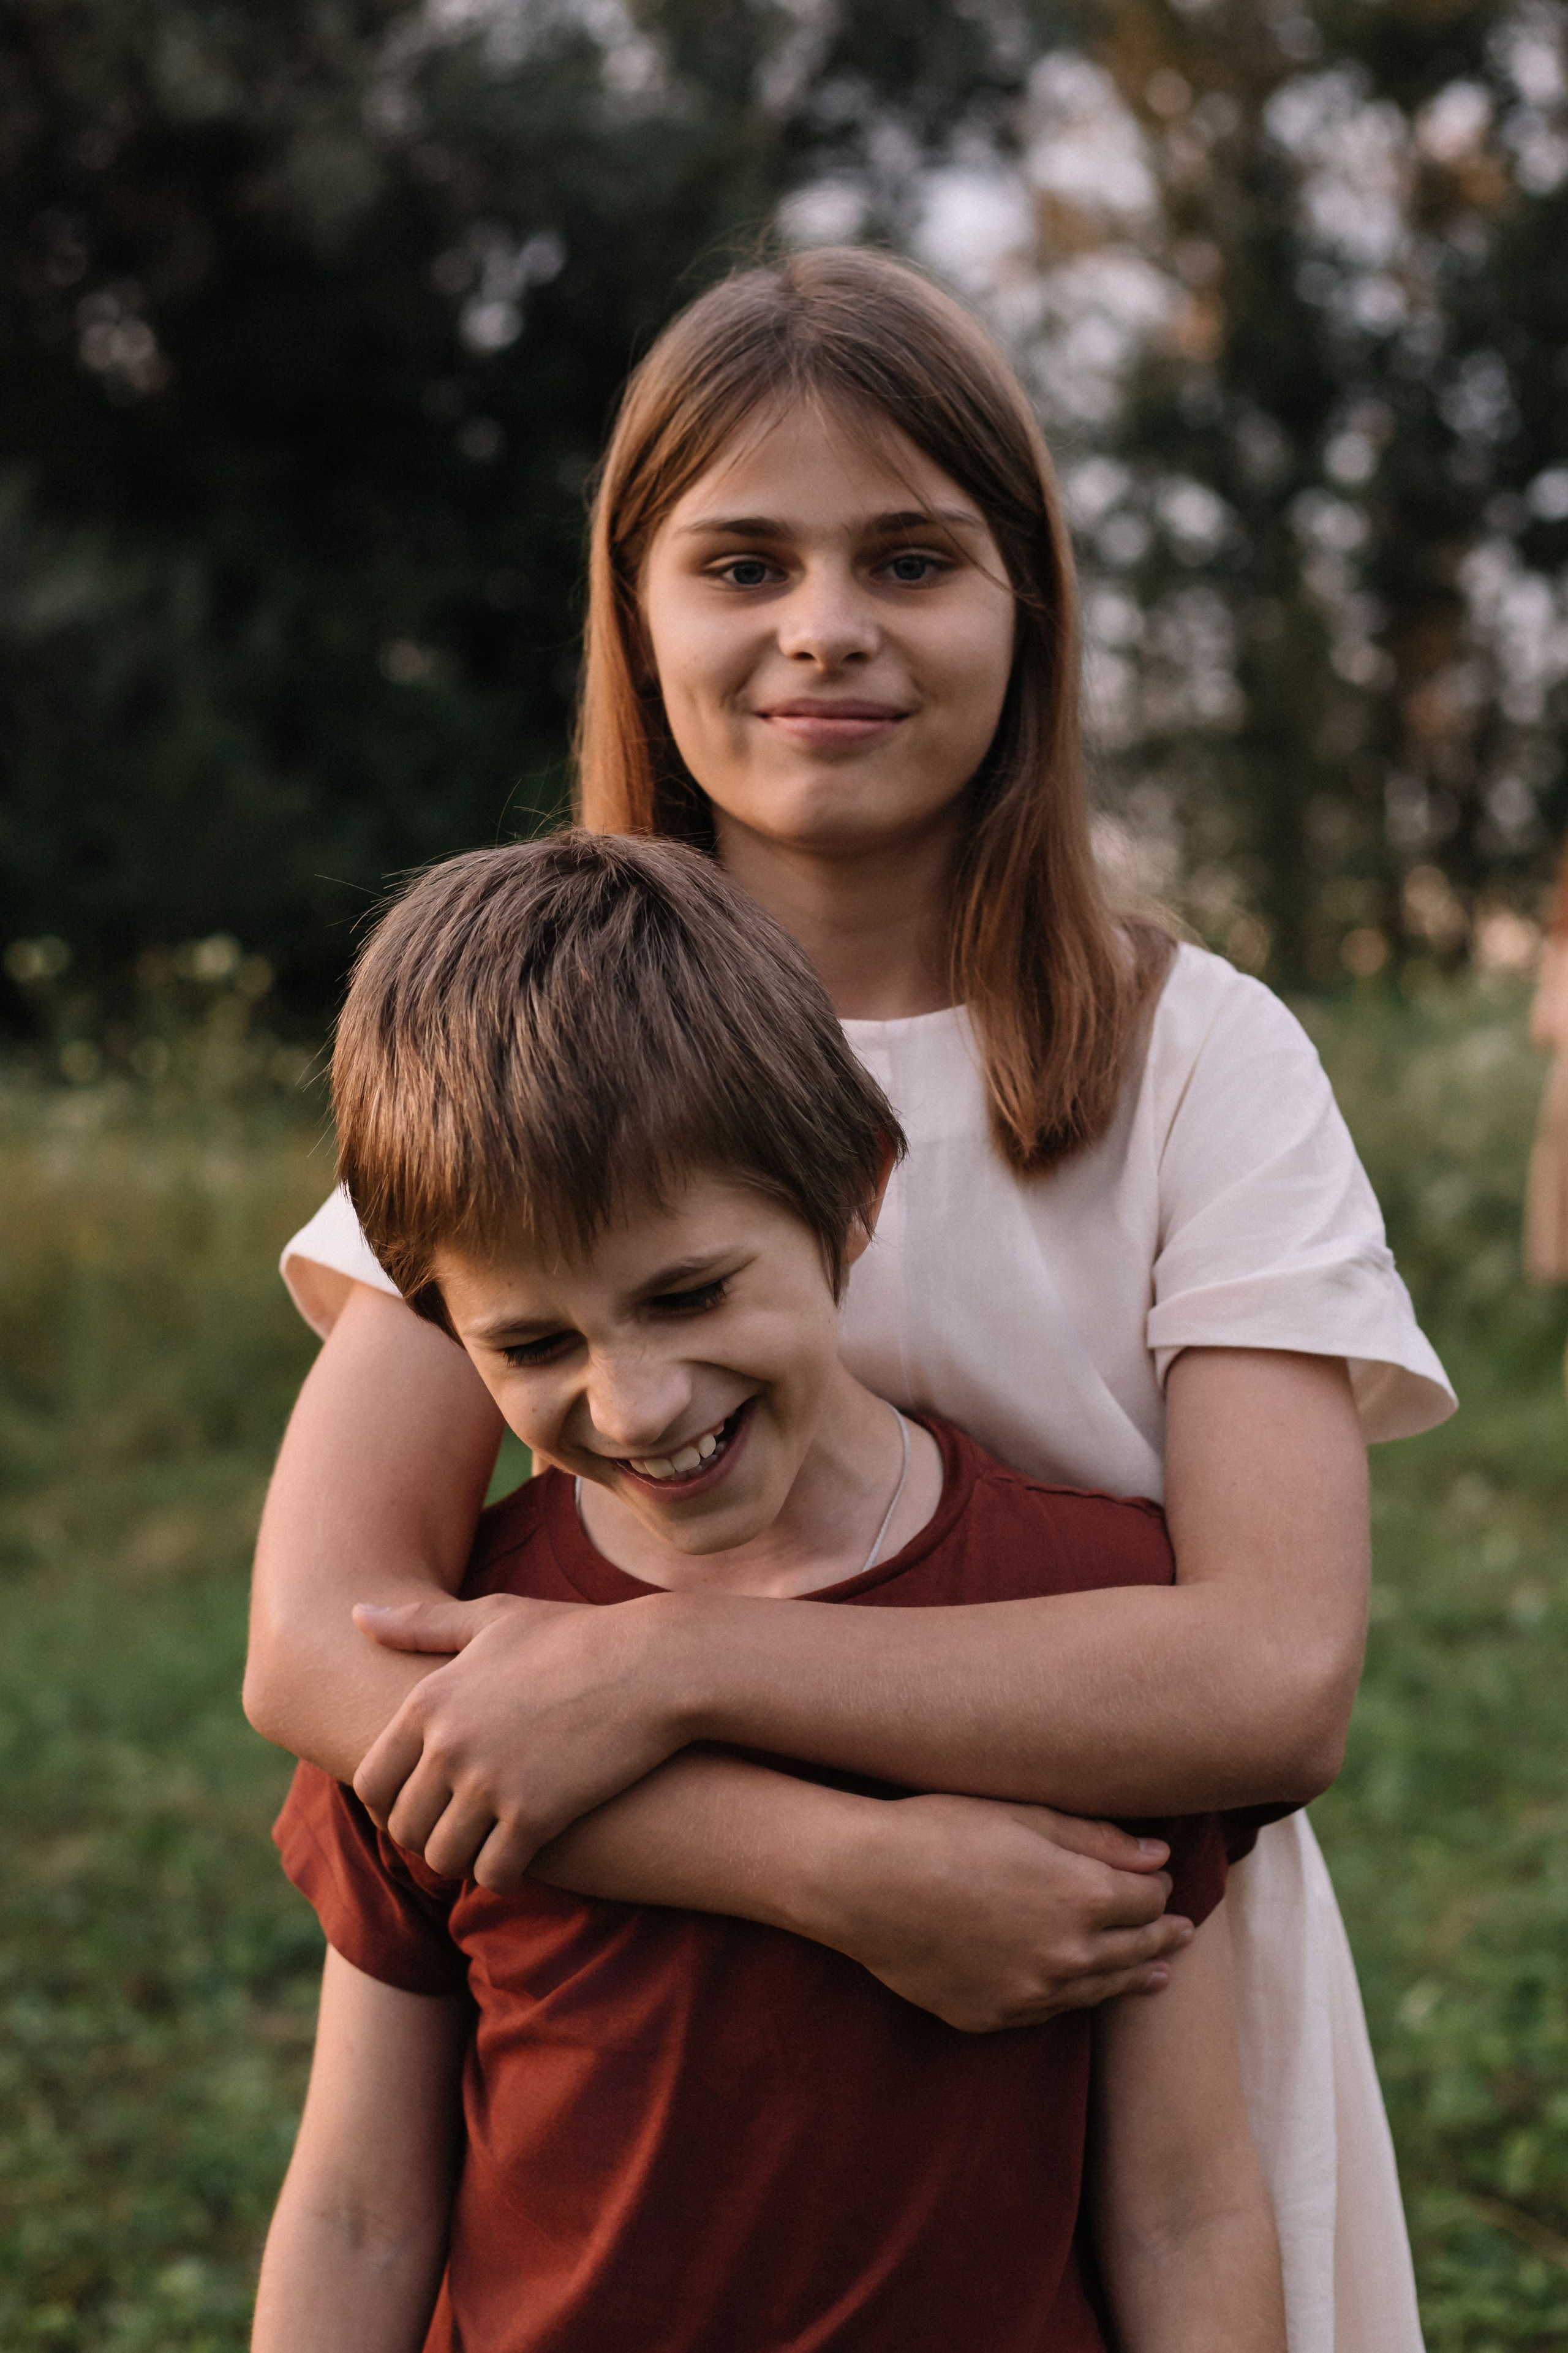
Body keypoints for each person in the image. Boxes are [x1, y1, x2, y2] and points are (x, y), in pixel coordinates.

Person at [244, 246, 1454, 2351]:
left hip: (1107, 1980)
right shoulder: (538, 1046)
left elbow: (1273, 1673)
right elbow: (312, 1640)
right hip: (659, 1993)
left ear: (1027, 609)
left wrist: (664, 1670)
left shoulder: (1199, 1054)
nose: (827, 628)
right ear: (638, 611)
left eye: (912, 556)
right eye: (742, 561)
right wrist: (835, 1874)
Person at [252, 831, 1286, 2353]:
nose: (640, 1399)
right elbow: (356, 2206)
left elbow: (1181, 2204)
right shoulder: (453, 1674)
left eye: (687, 1293)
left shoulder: (1087, 1606)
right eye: (533, 1344)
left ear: (851, 1192)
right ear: (429, 1321)